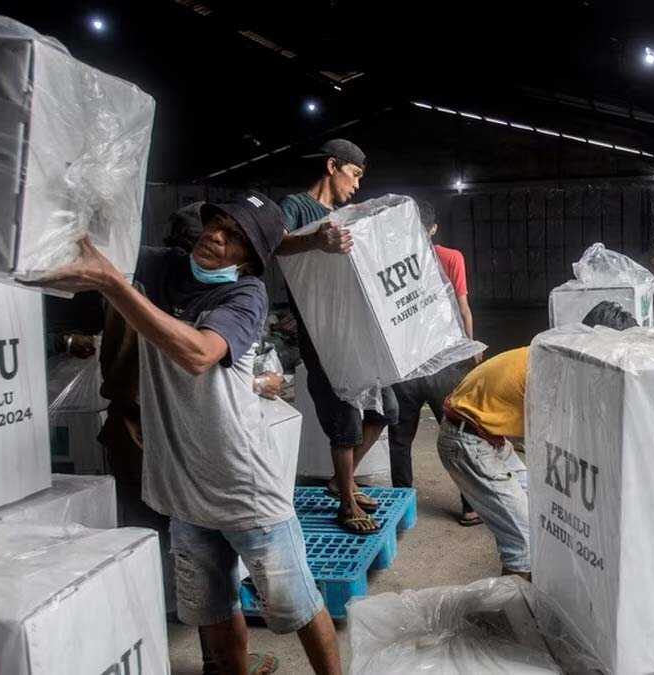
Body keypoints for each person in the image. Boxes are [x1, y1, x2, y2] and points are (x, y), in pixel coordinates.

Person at [43, 192, 340, 675]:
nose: (215, 237)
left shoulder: (243, 296)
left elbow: (199, 354)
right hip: (183, 489)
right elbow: (100, 243)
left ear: (249, 259)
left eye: (234, 237)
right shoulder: (165, 268)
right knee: (214, 612)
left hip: (244, 488)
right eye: (216, 224)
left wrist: (114, 286)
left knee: (296, 605)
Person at [437, 301, 638, 577]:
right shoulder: (555, 367)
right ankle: (513, 615)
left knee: (539, 509)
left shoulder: (559, 355)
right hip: (467, 442)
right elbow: (559, 437)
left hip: (486, 436)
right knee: (524, 540)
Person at [276, 139, 398, 534]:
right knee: (343, 414)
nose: (358, 185)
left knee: (386, 410)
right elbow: (274, 243)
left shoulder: (347, 215)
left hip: (359, 326)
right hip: (322, 329)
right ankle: (347, 503)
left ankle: (339, 481)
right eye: (355, 174)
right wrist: (315, 240)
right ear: (333, 166)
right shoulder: (296, 207)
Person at [387, 200, 483, 526]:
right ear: (433, 228)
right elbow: (463, 307)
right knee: (458, 433)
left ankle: (402, 510)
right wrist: (472, 351)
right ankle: (470, 506)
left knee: (400, 439)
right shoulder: (451, 257)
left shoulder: (393, 264)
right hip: (443, 363)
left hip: (405, 365)